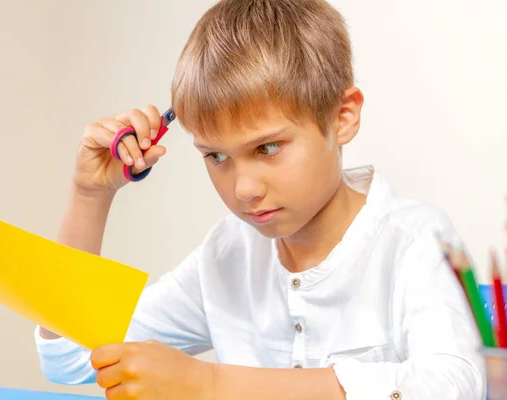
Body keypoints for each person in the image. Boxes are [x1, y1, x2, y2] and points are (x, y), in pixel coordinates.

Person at [34, 0, 487, 399]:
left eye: (267, 148)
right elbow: (70, 357)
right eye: (216, 156)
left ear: (343, 117)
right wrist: (90, 195)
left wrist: (210, 385)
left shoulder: (413, 240)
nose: (242, 188)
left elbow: (454, 386)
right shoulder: (228, 252)